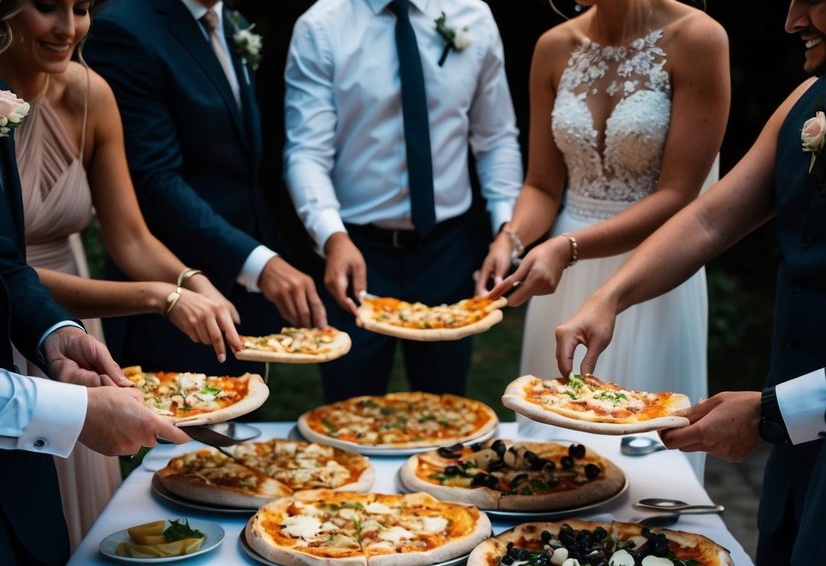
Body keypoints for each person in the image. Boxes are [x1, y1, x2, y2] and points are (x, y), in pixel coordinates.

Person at [553, 0, 826, 566]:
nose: (790, 20)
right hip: (799, 459)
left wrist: (771, 414)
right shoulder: (806, 101)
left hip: (799, 422)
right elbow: (709, 220)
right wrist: (609, 297)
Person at [0, 0, 242, 545]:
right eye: (46, 8)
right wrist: (161, 297)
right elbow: (6, 268)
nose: (68, 28)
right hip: (9, 315)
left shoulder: (91, 94)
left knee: (79, 516)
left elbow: (130, 237)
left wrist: (191, 280)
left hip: (73, 332)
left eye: (81, 8)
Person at [0, 75, 187, 566]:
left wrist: (54, 332)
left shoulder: (3, 99)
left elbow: (4, 263)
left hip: (18, 482)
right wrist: (69, 410)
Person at [480, 0, 729, 435]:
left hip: (657, 273)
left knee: (647, 441)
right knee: (552, 448)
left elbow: (678, 195)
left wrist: (568, 248)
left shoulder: (699, 38)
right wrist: (511, 240)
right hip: (562, 281)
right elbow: (541, 185)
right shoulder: (554, 45)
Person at [283, 0, 523, 401]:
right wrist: (332, 237)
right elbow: (306, 152)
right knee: (349, 413)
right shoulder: (321, 25)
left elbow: (496, 137)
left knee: (448, 412)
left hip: (448, 250)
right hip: (356, 254)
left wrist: (505, 231)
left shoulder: (473, 16)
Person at [86, 0, 326, 376]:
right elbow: (155, 182)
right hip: (170, 300)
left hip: (242, 290)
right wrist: (258, 263)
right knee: (181, 426)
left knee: (244, 426)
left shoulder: (233, 21)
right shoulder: (125, 29)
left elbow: (244, 169)